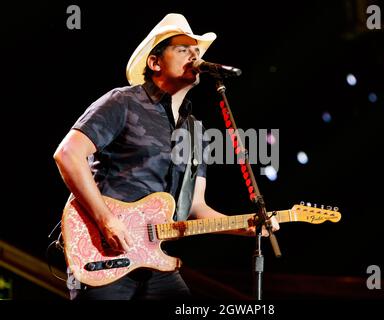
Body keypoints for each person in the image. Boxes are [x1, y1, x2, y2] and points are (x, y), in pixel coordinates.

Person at [53, 13, 279, 300]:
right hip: (103, 252)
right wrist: (107, 220)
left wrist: (244, 226)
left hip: (153, 258)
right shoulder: (124, 101)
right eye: (183, 49)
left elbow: (195, 207)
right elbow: (68, 154)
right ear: (155, 62)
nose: (194, 56)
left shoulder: (195, 131)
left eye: (197, 51)